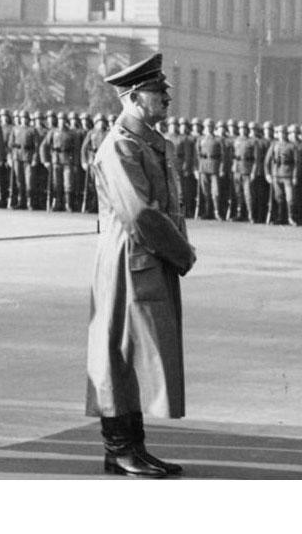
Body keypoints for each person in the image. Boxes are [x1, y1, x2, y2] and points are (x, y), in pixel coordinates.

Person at [86, 52, 196, 477]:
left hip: (148, 258)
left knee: (136, 359)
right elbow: (140, 213)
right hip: (129, 258)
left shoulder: (149, 141)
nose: (166, 96)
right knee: (117, 355)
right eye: (158, 90)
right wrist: (182, 252)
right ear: (133, 97)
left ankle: (134, 447)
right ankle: (119, 449)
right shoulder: (120, 146)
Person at [264, 124, 299, 225]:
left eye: (283, 133)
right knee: (278, 197)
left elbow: (296, 163)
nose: (281, 135)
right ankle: (280, 217)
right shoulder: (274, 145)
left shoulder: (292, 146)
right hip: (276, 174)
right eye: (280, 133)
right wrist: (267, 174)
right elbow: (267, 161)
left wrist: (295, 176)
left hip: (288, 174)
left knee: (290, 198)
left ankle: (290, 217)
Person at [230, 120, 262, 223]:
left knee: (248, 194)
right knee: (238, 193)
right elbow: (233, 155)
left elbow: (256, 159)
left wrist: (253, 172)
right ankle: (240, 213)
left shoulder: (253, 142)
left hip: (247, 170)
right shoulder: (236, 140)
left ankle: (250, 215)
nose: (242, 130)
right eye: (240, 128)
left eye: (244, 129)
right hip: (237, 169)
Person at [195, 118, 224, 220]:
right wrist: (196, 168)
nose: (209, 128)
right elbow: (197, 155)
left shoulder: (218, 140)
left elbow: (222, 156)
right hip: (203, 167)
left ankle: (217, 212)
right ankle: (207, 212)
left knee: (215, 192)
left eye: (211, 127)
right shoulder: (200, 139)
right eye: (207, 127)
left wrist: (221, 168)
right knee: (205, 192)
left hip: (214, 166)